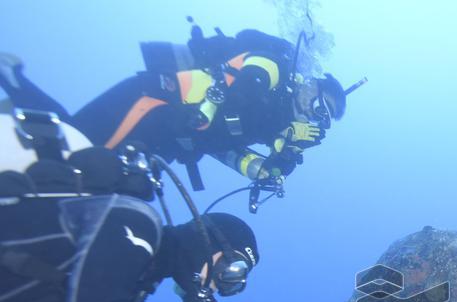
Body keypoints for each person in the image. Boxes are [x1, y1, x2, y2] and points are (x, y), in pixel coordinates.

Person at [0, 113, 267, 302]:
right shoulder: (138, 222)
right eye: (231, 272)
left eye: (232, 287)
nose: (219, 286)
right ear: (208, 241)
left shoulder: (136, 279)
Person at [0, 24, 349, 190]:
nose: (314, 113)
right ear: (310, 84)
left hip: (166, 142)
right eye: (319, 104)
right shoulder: (273, 67)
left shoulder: (273, 124)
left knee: (91, 178)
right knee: (77, 142)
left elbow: (228, 152)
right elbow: (236, 99)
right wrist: (281, 136)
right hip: (153, 101)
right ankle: (13, 79)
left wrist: (280, 157)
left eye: (323, 116)